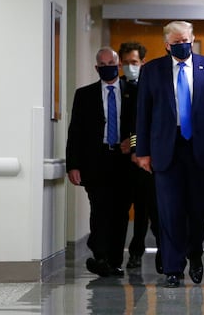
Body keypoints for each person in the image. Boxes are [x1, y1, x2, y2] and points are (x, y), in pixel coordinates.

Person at [133, 20, 204, 288]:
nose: (182, 45)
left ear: (193, 38)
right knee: (170, 210)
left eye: (185, 40)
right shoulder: (152, 70)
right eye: (176, 43)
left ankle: (195, 254)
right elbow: (142, 113)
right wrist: (141, 151)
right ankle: (173, 268)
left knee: (199, 210)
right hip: (166, 148)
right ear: (167, 44)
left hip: (201, 148)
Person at [66, 47, 133, 277]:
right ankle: (101, 256)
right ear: (97, 68)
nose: (107, 68)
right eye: (102, 65)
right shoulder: (84, 95)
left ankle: (114, 260)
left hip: (125, 161)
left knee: (120, 212)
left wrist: (132, 142)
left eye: (111, 63)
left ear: (119, 65)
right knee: (100, 209)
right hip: (96, 161)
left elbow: (144, 125)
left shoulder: (133, 91)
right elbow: (75, 131)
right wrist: (72, 165)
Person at [117, 42, 162, 273]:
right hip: (122, 161)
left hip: (145, 158)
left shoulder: (150, 86)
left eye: (133, 62)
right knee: (131, 209)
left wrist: (134, 144)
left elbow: (146, 122)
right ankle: (133, 252)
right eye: (124, 63)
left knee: (150, 210)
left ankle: (159, 253)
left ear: (142, 62)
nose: (129, 67)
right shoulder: (119, 86)